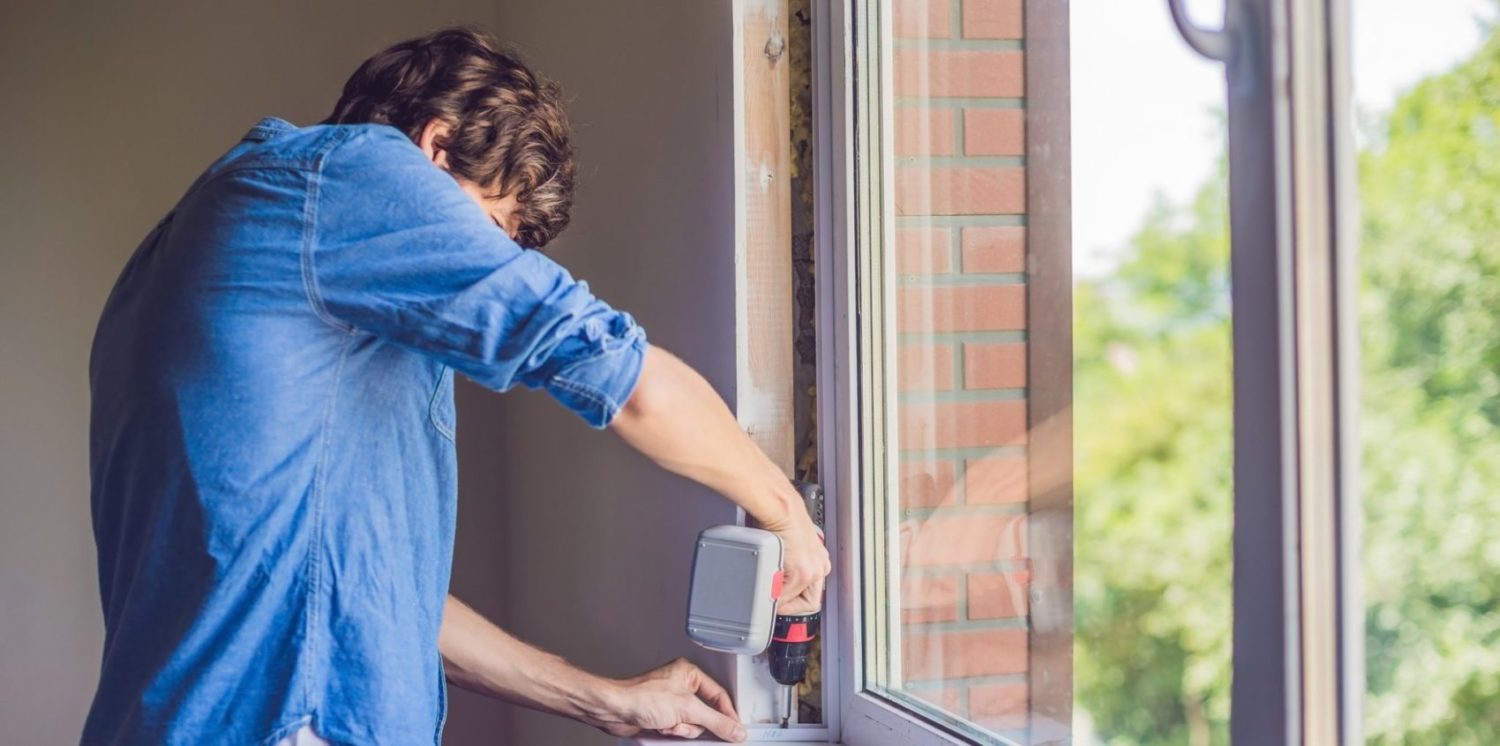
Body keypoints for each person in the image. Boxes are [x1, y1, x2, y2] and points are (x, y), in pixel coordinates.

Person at [82, 27, 829, 746]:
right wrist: (787, 513)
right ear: (434, 148)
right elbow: (626, 380)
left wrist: (598, 697)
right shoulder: (353, 176)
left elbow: (369, 598)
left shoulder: (196, 246)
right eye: (490, 230)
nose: (480, 270)